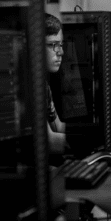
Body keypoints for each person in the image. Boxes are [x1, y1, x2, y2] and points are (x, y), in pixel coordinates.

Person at [45, 13, 71, 157]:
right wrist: (108, 142)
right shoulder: (24, 86)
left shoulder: (43, 85)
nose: (60, 52)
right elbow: (50, 142)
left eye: (60, 45)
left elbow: (58, 127)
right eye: (52, 45)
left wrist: (100, 132)